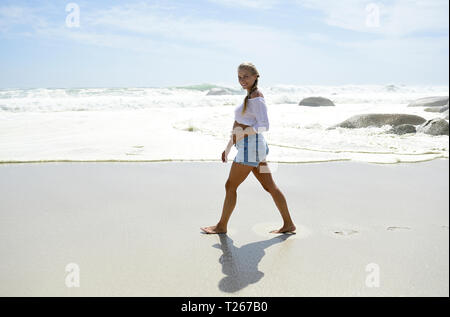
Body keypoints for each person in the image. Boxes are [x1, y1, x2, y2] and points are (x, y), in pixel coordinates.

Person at [201, 62, 296, 235]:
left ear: (255, 76)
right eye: (239, 76)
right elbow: (239, 125)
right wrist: (228, 147)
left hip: (250, 149)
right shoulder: (249, 97)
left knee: (230, 186)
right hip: (254, 149)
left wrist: (242, 135)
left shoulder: (256, 97)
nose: (242, 80)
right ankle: (288, 224)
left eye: (246, 76)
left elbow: (264, 125)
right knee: (270, 187)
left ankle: (221, 226)